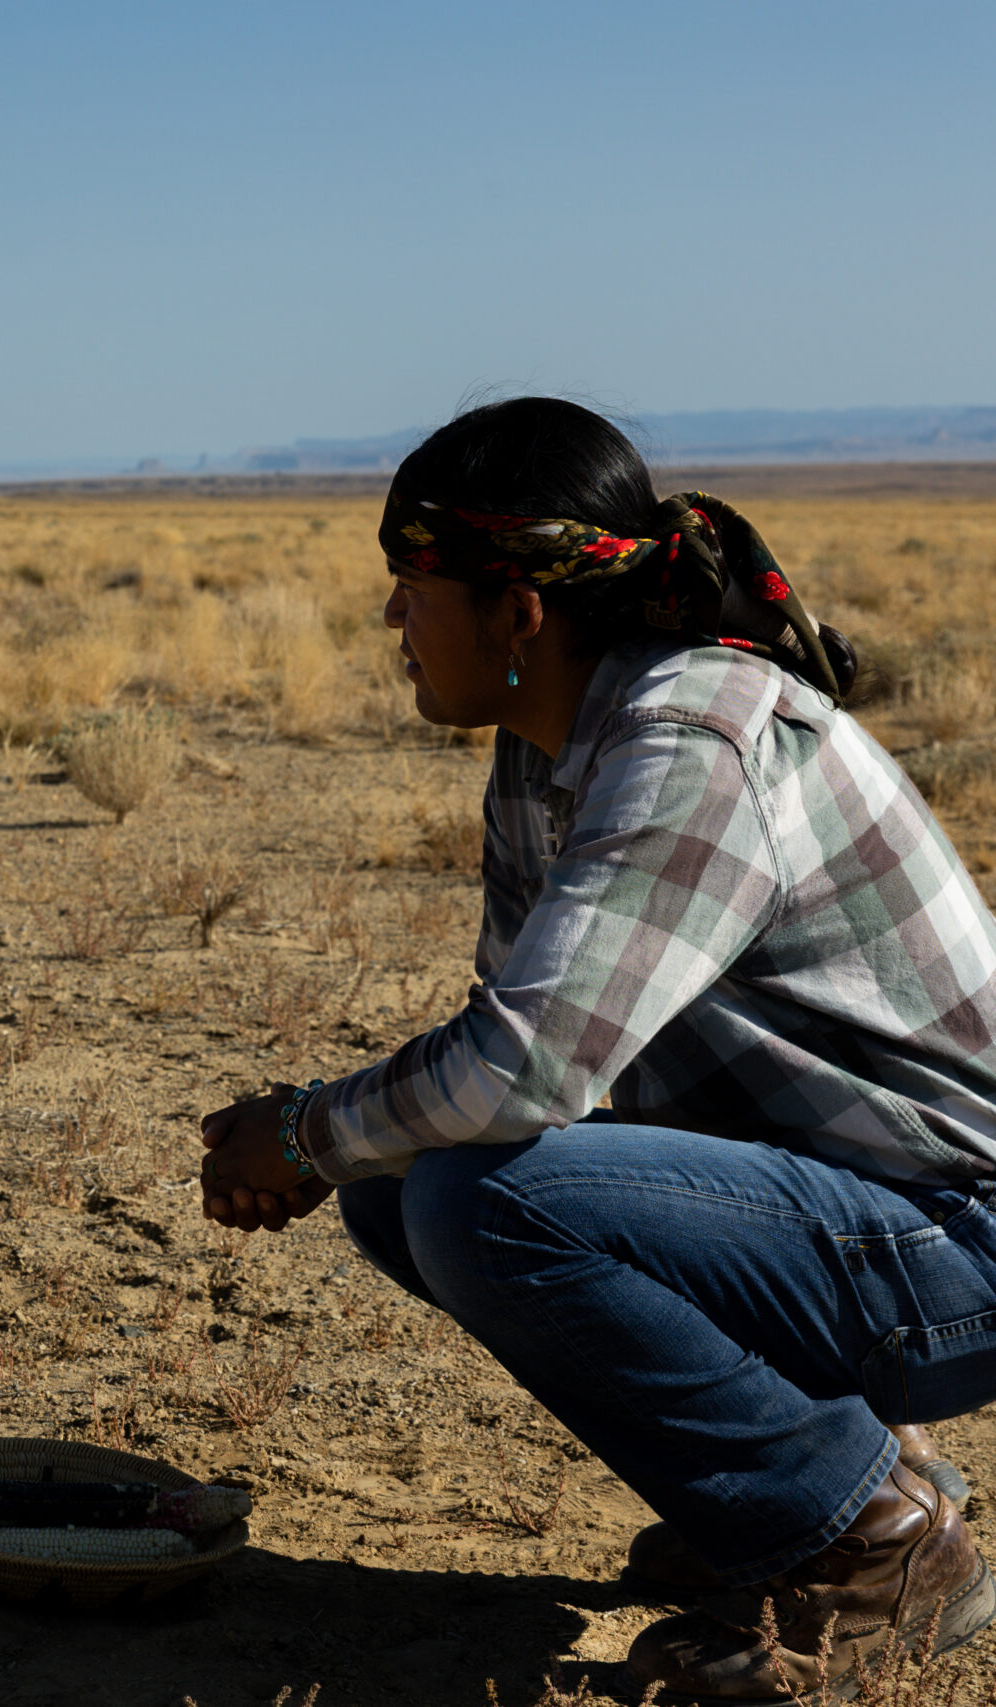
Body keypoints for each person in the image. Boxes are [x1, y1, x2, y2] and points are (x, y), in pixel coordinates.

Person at [196, 397, 996, 1699]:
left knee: (473, 1196)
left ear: (519, 613)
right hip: (860, 1215)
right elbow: (521, 1047)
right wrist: (336, 1143)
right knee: (410, 1182)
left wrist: (302, 1132)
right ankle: (811, 1488)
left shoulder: (692, 740)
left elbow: (521, 1069)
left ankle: (875, 1545)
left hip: (963, 1239)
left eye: (413, 588)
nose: (390, 618)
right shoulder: (548, 746)